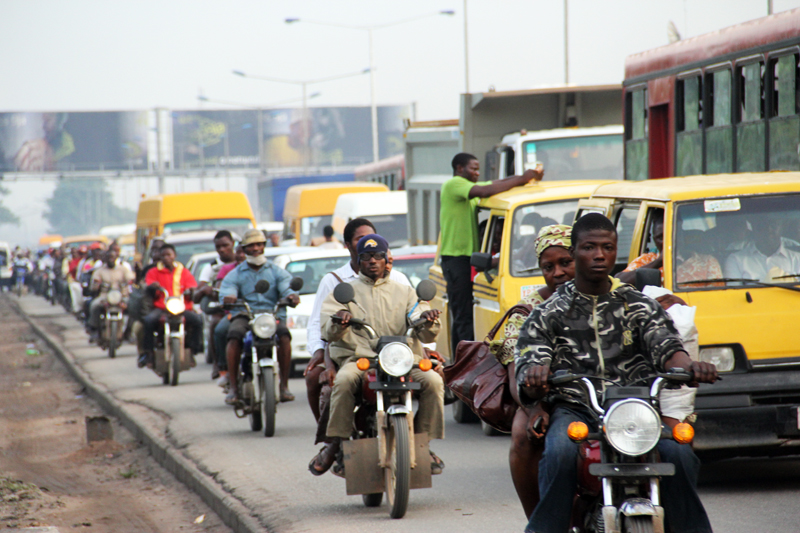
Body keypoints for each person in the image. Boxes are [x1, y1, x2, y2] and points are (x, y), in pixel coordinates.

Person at [515, 213, 718, 533]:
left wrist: (688, 367)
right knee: (560, 453)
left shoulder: (639, 304)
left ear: (614, 253)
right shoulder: (548, 311)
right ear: (575, 250)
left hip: (637, 408)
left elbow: (667, 347)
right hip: (577, 409)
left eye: (607, 247)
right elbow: (531, 358)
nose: (598, 255)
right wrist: (535, 375)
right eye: (588, 247)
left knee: (678, 452)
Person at [309, 233, 444, 476]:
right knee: (343, 380)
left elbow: (421, 323)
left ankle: (423, 443)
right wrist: (340, 321)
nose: (373, 261)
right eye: (367, 256)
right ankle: (336, 443)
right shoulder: (343, 292)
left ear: (386, 259)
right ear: (358, 260)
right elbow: (328, 331)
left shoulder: (405, 291)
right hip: (360, 360)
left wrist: (426, 320)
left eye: (378, 256)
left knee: (434, 382)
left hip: (402, 360)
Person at [486, 224, 574, 519]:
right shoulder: (527, 312)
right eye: (549, 267)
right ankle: (537, 518)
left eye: (566, 262)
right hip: (542, 394)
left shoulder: (606, 294)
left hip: (594, 392)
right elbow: (516, 373)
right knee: (524, 435)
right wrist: (533, 406)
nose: (558, 272)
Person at [304, 218, 412, 427]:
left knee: (434, 378)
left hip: (394, 354)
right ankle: (331, 442)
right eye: (361, 239)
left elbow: (414, 315)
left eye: (372, 240)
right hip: (348, 351)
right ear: (349, 246)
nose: (372, 258)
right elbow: (319, 323)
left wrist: (424, 348)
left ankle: (420, 440)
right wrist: (319, 351)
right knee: (319, 379)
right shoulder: (335, 281)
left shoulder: (399, 280)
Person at [439, 152, 543, 353]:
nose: (477, 173)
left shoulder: (466, 190)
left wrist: (525, 177)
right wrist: (523, 178)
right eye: (473, 169)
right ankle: (464, 363)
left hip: (465, 259)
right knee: (463, 317)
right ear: (460, 169)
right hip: (456, 259)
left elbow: (497, 182)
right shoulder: (455, 184)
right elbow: (487, 190)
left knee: (466, 314)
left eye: (478, 170)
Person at [218, 229, 300, 405]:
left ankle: (284, 386)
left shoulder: (276, 271)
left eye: (259, 244)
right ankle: (233, 387)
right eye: (251, 246)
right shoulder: (236, 274)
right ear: (244, 248)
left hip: (272, 316)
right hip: (245, 315)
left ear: (264, 246)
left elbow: (287, 286)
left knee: (284, 336)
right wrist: (229, 297)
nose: (255, 248)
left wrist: (291, 295)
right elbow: (227, 290)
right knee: (233, 337)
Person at [140, 244, 202, 368]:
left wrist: (190, 290)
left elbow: (192, 285)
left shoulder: (183, 271)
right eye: (163, 255)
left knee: (197, 321)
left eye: (169, 254)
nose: (166, 258)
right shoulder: (153, 272)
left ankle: (192, 351)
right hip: (162, 308)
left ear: (174, 256)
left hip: (181, 307)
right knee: (148, 321)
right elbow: (149, 284)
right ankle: (149, 353)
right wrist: (153, 287)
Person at [192, 231, 237, 374]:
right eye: (218, 247)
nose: (222, 250)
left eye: (225, 245)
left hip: (241, 306)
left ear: (233, 244)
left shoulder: (242, 263)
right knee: (215, 325)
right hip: (220, 308)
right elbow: (200, 288)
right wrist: (206, 289)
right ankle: (219, 363)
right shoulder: (211, 268)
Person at [724, 213, 800, 282]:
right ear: (754, 228)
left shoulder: (797, 259)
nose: (769, 229)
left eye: (773, 225)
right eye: (763, 225)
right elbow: (734, 294)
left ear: (782, 228)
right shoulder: (736, 260)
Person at [87, 248, 135, 342]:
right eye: (108, 257)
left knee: (133, 307)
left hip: (122, 296)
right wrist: (96, 284)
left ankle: (128, 332)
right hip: (105, 296)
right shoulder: (99, 271)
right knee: (94, 306)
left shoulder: (123, 269)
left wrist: (130, 280)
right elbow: (93, 285)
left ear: (116, 258)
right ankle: (95, 330)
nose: (111, 260)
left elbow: (130, 277)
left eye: (113, 257)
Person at [616, 212, 664, 285]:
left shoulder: (687, 259)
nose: (666, 242)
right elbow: (618, 282)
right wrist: (658, 262)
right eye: (661, 238)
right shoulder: (648, 260)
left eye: (673, 236)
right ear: (654, 240)